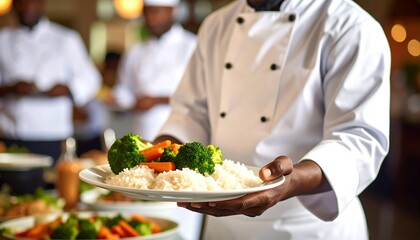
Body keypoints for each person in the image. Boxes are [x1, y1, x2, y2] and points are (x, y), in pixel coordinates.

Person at [153, 0, 391, 239]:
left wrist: (293, 180)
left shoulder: (350, 25)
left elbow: (359, 138)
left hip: (308, 225)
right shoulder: (216, 25)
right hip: (224, 225)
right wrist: (154, 153)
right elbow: (191, 113)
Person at [0, 0, 101, 162]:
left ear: (41, 3)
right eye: (21, 3)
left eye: (32, 2)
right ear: (13, 6)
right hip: (11, 136)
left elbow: (92, 80)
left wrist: (68, 89)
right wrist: (12, 88)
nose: (27, 7)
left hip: (53, 136)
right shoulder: (3, 40)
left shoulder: (66, 39)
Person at [112, 0, 196, 141]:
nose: (151, 18)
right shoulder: (136, 51)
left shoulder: (192, 45)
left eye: (156, 11)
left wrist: (157, 100)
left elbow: (199, 95)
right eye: (147, 12)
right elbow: (124, 89)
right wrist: (119, 99)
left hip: (181, 134)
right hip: (143, 132)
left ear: (172, 11)